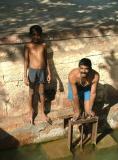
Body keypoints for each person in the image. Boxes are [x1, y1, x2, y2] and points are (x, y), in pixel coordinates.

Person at [24, 25, 51, 124]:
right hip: (32, 71)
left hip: (42, 72)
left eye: (38, 35)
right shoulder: (28, 46)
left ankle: (42, 113)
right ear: (31, 35)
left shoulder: (43, 45)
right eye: (34, 35)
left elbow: (46, 60)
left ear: (41, 35)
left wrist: (49, 73)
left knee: (42, 93)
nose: (36, 37)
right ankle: (30, 112)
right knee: (31, 93)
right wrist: (24, 76)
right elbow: (26, 61)